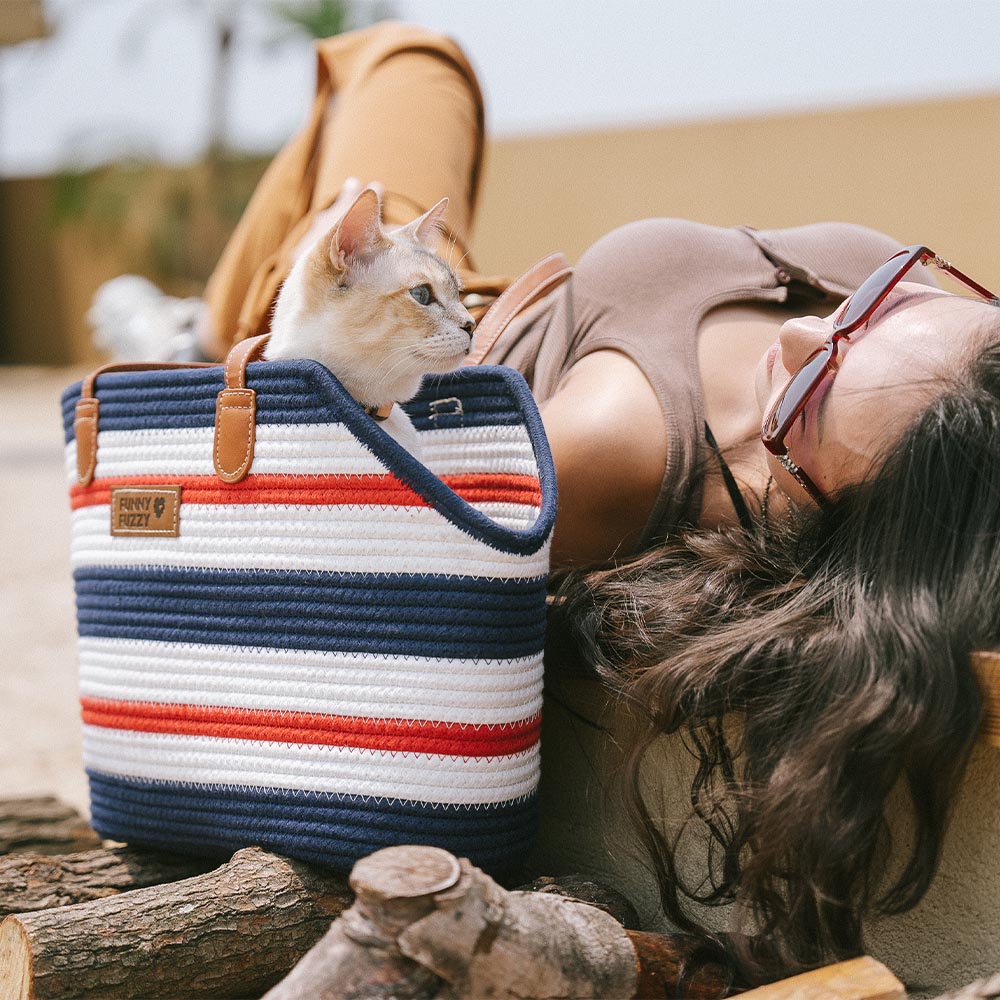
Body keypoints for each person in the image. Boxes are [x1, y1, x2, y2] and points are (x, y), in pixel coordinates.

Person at [183, 21, 1000, 983]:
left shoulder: (616, 456)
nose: (807, 330)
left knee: (407, 58)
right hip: (459, 288)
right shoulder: (962, 392)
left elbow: (365, 529)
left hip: (352, 326)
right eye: (891, 300)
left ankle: (199, 336)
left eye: (813, 386)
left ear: (831, 507)